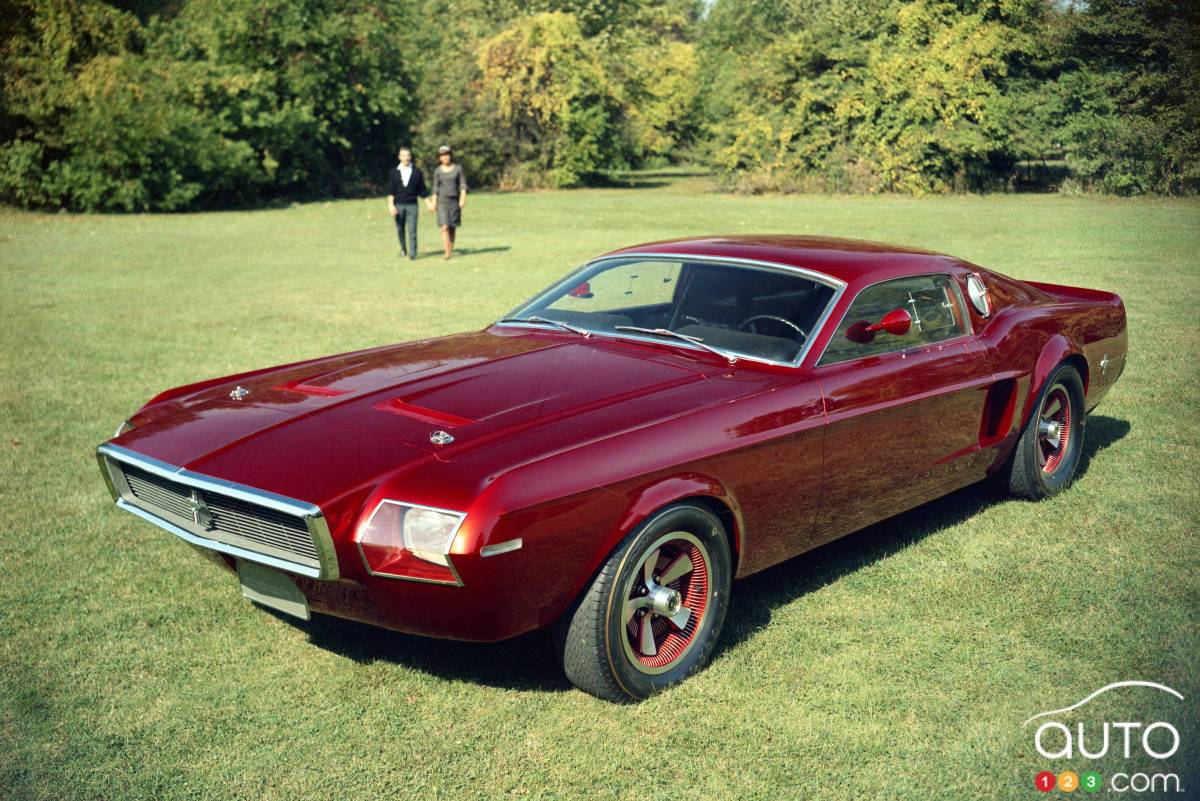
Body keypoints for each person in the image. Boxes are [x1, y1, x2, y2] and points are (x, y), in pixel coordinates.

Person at [387, 146, 430, 259]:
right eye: (403, 156)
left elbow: (422, 190)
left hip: (412, 205)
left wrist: (428, 203)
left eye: (408, 156)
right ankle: (403, 249)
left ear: (410, 157)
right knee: (400, 229)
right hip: (399, 205)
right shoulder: (394, 173)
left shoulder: (417, 172)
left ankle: (412, 253)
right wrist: (391, 205)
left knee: (412, 229)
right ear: (399, 157)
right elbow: (391, 191)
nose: (406, 158)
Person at [430, 145, 467, 259]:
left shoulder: (458, 168)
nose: (445, 157)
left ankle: (450, 249)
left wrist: (463, 198)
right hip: (442, 202)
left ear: (450, 155)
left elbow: (462, 185)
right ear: (439, 158)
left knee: (452, 227)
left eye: (446, 154)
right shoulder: (438, 171)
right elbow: (435, 188)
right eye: (442, 155)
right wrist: (433, 202)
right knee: (445, 226)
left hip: (454, 201)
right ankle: (447, 252)